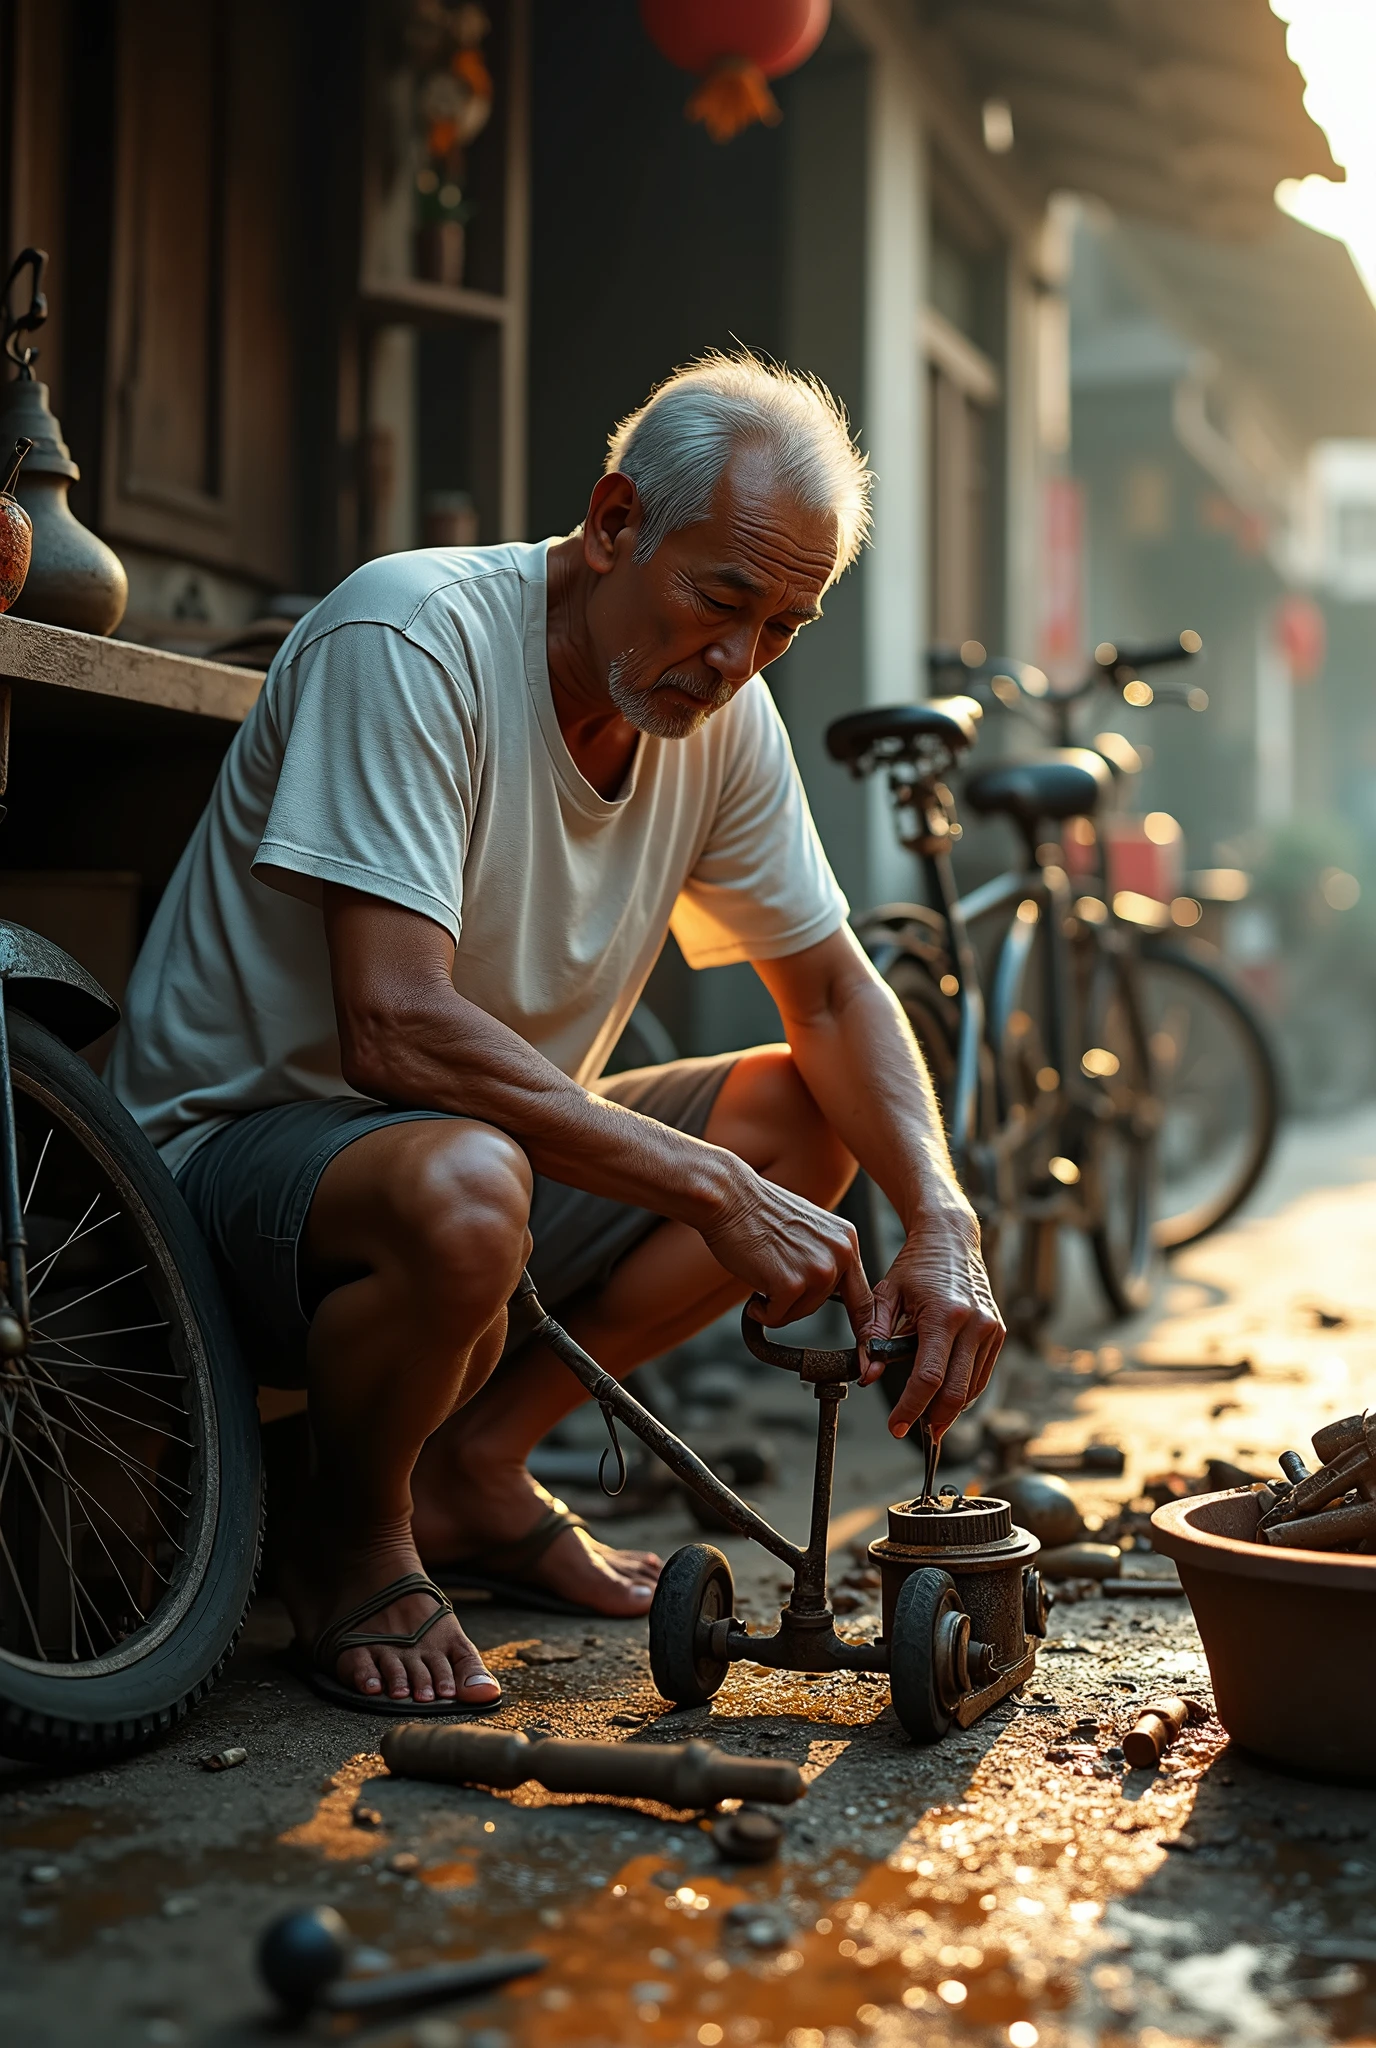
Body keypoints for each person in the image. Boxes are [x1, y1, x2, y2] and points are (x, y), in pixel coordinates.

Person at [108, 351, 1003, 1717]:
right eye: (722, 600)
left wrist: (941, 1213)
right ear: (613, 524)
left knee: (806, 1111)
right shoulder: (411, 637)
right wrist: (710, 1187)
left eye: (782, 629)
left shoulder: (724, 718)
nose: (738, 659)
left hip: (487, 1159)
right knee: (476, 1181)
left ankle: (473, 1470)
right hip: (222, 1173)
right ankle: (351, 1544)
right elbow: (394, 1029)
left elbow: (828, 994)